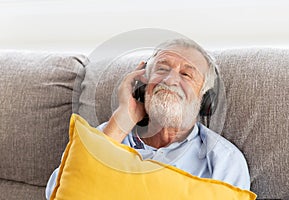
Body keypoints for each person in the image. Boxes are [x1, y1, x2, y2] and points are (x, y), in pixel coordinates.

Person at [45, 38, 250, 199]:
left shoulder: (223, 161)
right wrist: (122, 118)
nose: (170, 80)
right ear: (143, 84)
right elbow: (58, 191)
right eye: (162, 69)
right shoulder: (108, 135)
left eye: (187, 75)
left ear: (205, 99)